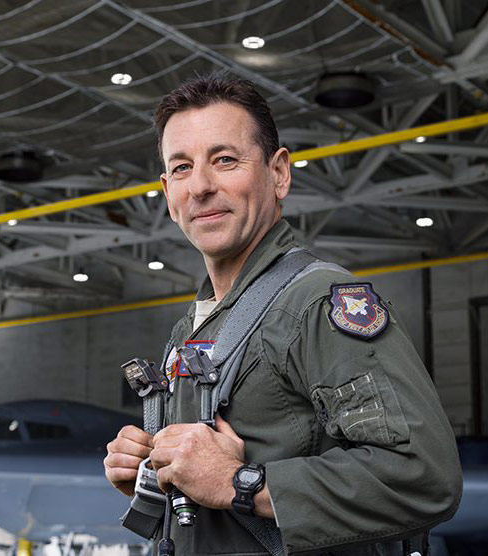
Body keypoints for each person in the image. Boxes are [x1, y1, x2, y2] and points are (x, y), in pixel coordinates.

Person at [103, 73, 462, 555]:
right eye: (183, 168)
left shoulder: (316, 303)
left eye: (225, 160)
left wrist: (240, 482)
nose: (202, 186)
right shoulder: (193, 328)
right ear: (168, 193)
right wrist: (154, 471)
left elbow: (423, 477)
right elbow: (208, 485)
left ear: (279, 174)